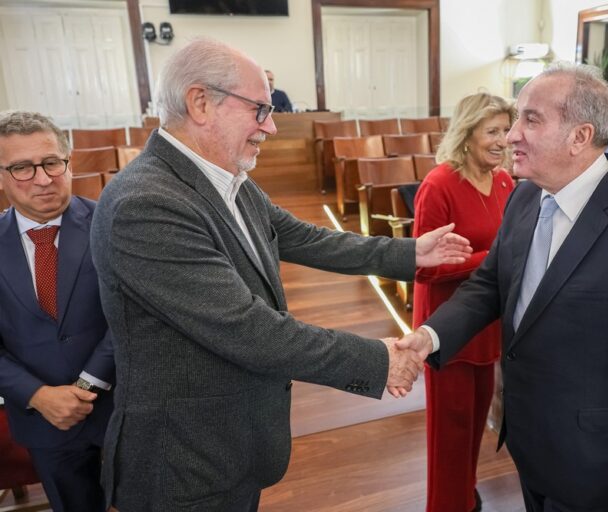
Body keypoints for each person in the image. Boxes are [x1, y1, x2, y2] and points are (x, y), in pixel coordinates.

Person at [90, 38, 471, 512]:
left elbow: (305, 238)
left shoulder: (226, 179)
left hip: (232, 442)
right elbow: (246, 328)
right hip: (184, 460)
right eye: (260, 109)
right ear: (200, 103)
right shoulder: (147, 203)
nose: (270, 126)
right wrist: (378, 359)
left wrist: (410, 251)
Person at [397, 63, 608, 511]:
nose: (512, 135)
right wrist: (429, 336)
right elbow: (490, 285)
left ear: (579, 137)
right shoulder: (525, 196)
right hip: (532, 447)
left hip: (603, 468)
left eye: (530, 120)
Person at [0, 111, 114, 512]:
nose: (44, 179)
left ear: (69, 163)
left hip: (125, 407)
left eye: (52, 162)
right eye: (22, 168)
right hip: (43, 419)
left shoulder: (112, 224)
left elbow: (135, 316)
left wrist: (86, 386)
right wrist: (37, 395)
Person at [413, 92, 515, 512]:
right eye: (492, 131)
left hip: (487, 324)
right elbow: (424, 268)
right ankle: (446, 504)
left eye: (506, 131)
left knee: (474, 425)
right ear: (467, 134)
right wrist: (491, 260)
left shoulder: (505, 182)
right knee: (449, 431)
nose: (502, 141)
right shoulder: (439, 184)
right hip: (448, 327)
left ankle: (465, 494)